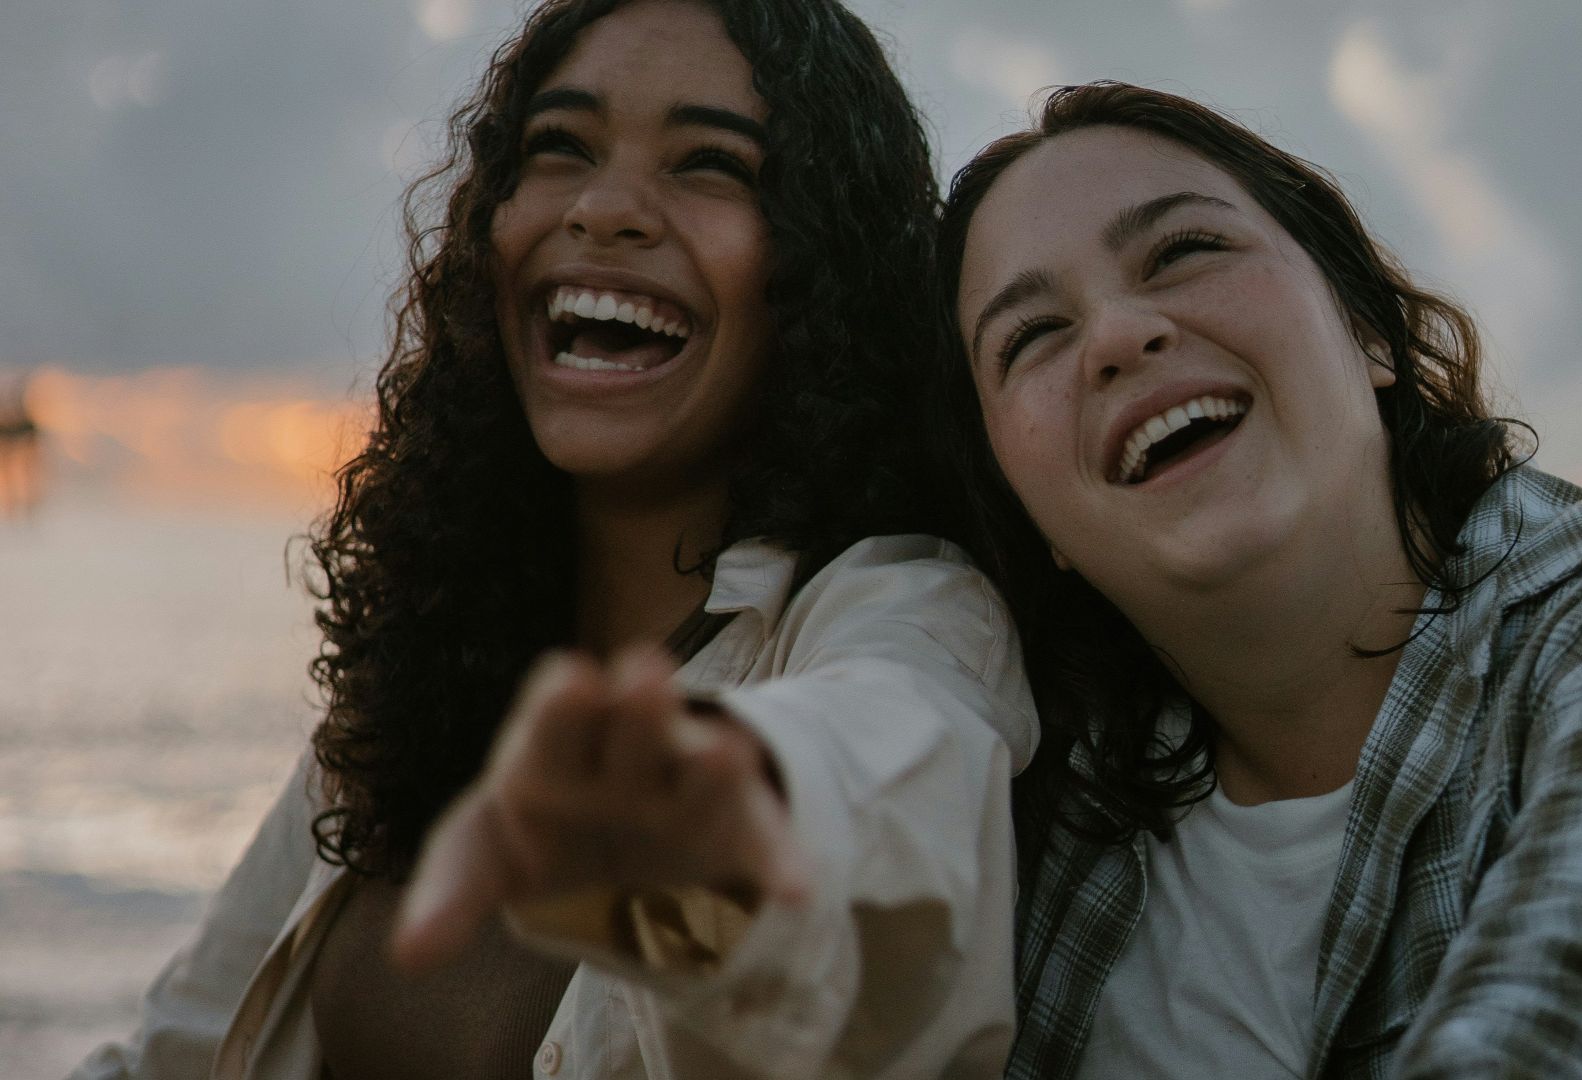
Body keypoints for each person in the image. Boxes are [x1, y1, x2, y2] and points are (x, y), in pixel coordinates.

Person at [71, 2, 1034, 1078]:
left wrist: (724, 822)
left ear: (826, 259)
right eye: (560, 147)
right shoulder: (422, 673)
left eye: (710, 163)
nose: (606, 207)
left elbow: (892, 793)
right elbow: (175, 1053)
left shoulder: (903, 611)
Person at [932, 81, 1582, 1079]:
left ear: (1367, 331)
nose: (1115, 337)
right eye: (1031, 338)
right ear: (1023, 510)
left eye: (1185, 250)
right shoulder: (1014, 818)